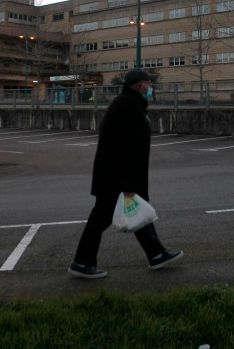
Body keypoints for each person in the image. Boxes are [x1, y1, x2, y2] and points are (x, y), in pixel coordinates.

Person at [68, 68, 183, 279]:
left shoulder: (129, 104)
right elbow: (125, 148)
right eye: (148, 84)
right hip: (117, 178)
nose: (150, 87)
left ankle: (156, 254)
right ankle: (82, 262)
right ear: (139, 86)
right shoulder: (128, 107)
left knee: (137, 215)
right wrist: (130, 184)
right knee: (100, 219)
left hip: (116, 176)